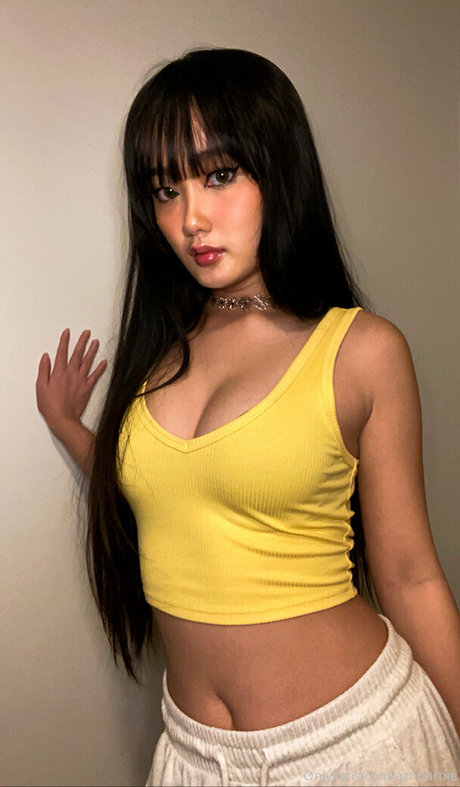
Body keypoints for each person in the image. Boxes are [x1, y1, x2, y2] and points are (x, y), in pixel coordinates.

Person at [36, 47, 459, 787]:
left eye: (220, 175)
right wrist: (69, 424)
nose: (190, 218)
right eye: (166, 189)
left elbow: (409, 575)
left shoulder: (360, 350)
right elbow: (167, 491)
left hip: (356, 744)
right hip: (191, 755)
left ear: (279, 172)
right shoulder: (160, 356)